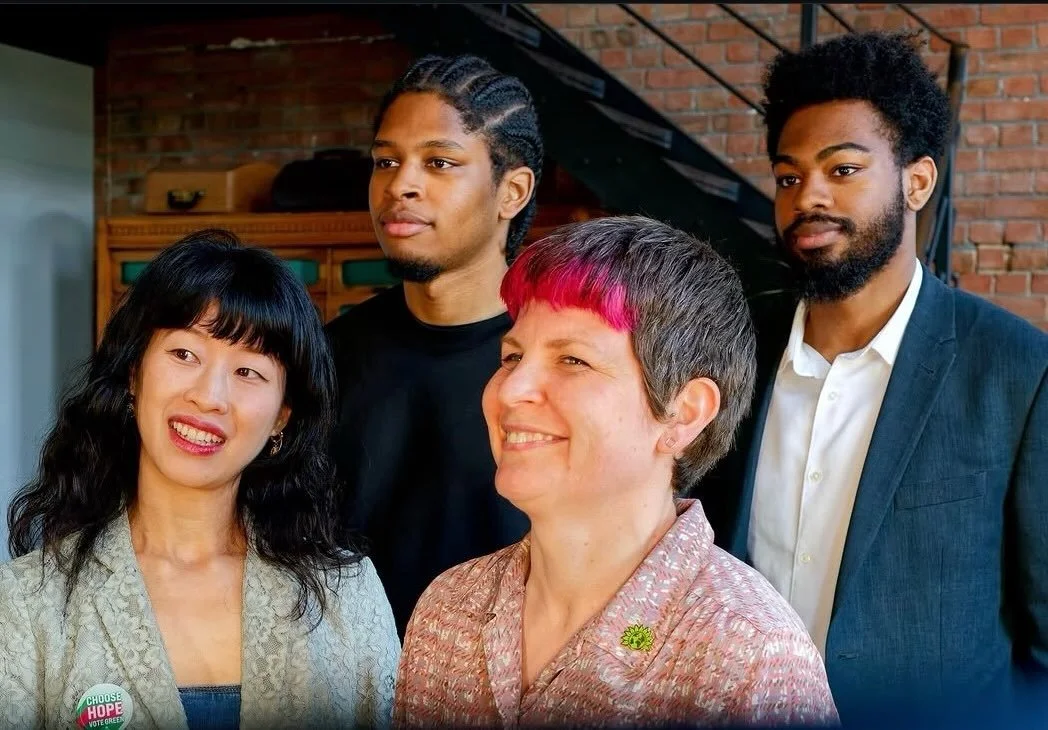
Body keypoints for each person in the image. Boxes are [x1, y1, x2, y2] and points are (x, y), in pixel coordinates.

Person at [698, 31, 1048, 725]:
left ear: (917, 181)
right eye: (789, 176)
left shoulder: (1016, 372)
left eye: (844, 169)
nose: (808, 198)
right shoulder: (733, 360)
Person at [393, 215, 840, 728]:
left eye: (573, 361)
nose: (512, 390)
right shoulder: (450, 608)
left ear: (682, 413)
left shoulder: (749, 655)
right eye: (512, 356)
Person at [0, 230, 401, 729]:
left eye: (248, 372)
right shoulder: (26, 602)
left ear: (282, 416)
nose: (209, 396)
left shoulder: (346, 593)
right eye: (184, 355)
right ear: (133, 374)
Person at [325, 53, 543, 636]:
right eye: (385, 161)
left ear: (512, 192)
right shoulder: (327, 354)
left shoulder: (562, 366)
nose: (401, 186)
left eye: (439, 162)